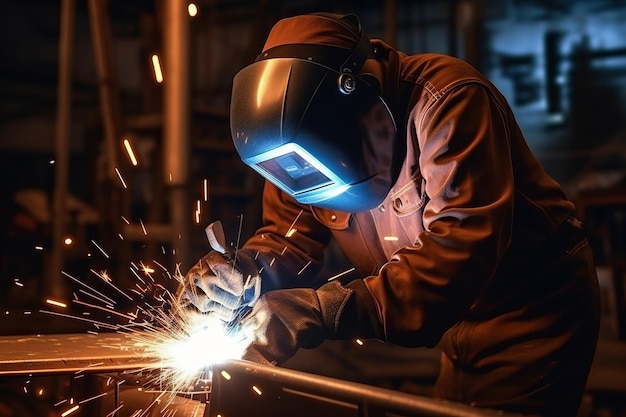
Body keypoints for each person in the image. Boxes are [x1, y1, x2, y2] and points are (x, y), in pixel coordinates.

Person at [178, 12, 601, 417]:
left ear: (356, 98)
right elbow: (287, 237)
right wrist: (245, 274)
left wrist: (321, 310)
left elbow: (459, 251)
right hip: (459, 320)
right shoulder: (294, 139)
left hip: (532, 306)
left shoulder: (448, 101)